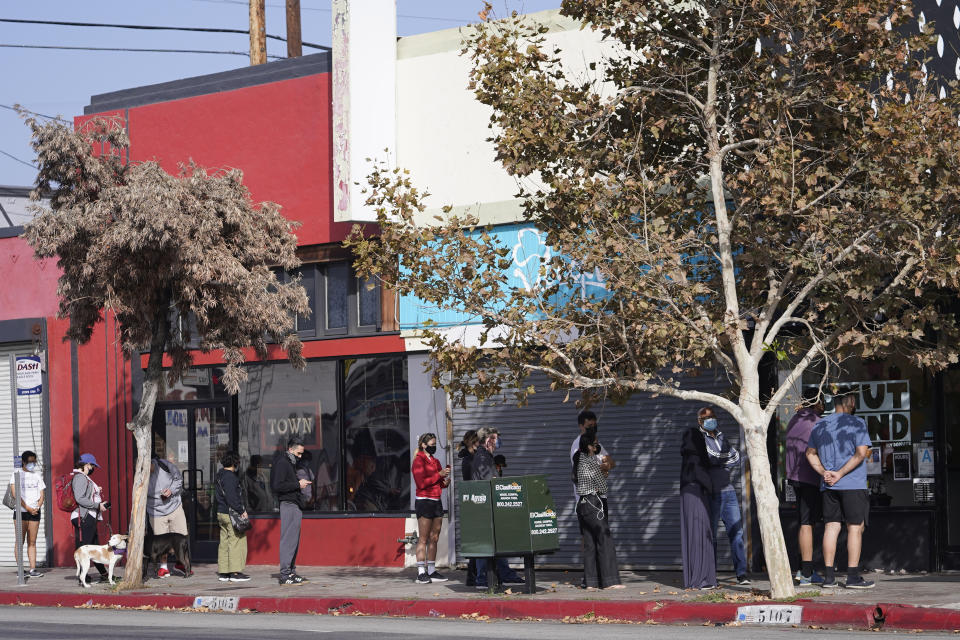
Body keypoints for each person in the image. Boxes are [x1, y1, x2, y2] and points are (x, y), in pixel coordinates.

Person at [806, 393, 874, 589]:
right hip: (852, 484)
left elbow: (810, 454)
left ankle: (829, 577)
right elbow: (861, 453)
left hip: (829, 486)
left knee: (831, 527)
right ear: (851, 403)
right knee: (855, 527)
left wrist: (824, 473)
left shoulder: (820, 425)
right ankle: (852, 576)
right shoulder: (857, 423)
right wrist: (840, 473)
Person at [699, 407, 749, 586]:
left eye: (712, 416)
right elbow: (711, 458)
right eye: (706, 418)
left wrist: (721, 459)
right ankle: (710, 576)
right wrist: (722, 458)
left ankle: (741, 574)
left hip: (728, 492)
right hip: (712, 492)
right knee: (710, 534)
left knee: (737, 532)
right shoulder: (699, 439)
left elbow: (736, 458)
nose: (710, 420)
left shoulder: (721, 436)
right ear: (700, 421)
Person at [470, 427, 524, 589]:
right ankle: (483, 578)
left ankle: (504, 573)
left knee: (496, 542)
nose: (497, 441)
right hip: (486, 507)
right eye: (494, 438)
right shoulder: (482, 458)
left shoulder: (485, 456)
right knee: (486, 543)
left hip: (489, 506)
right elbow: (489, 482)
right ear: (487, 440)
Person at [573, 431, 623, 589]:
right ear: (589, 446)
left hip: (582, 504)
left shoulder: (579, 460)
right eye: (595, 444)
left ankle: (591, 582)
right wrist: (603, 474)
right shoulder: (589, 461)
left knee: (589, 542)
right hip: (594, 502)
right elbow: (602, 485)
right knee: (604, 538)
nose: (597, 446)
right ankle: (611, 581)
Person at [785, 394, 826, 585]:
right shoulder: (817, 422)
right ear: (817, 402)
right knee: (807, 523)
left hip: (794, 478)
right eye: (823, 402)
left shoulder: (794, 420)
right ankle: (807, 574)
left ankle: (802, 569)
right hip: (811, 477)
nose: (824, 406)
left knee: (804, 522)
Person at [680, 414, 717, 590]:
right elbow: (703, 476)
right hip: (697, 495)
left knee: (693, 535)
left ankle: (695, 578)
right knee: (701, 534)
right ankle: (702, 578)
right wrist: (711, 488)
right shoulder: (695, 458)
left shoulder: (687, 457)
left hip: (688, 494)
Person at [270, 436, 311, 585]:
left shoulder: (289, 462)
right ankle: (285, 574)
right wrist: (297, 484)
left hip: (294, 504)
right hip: (288, 504)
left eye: (301, 454)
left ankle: (291, 572)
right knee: (288, 539)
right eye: (298, 453)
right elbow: (277, 486)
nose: (300, 457)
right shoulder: (282, 463)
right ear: (290, 449)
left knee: (294, 540)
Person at [411, 432, 450, 584]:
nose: (434, 447)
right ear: (423, 445)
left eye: (435, 445)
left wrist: (445, 482)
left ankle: (432, 570)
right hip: (424, 501)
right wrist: (438, 474)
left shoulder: (435, 461)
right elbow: (421, 483)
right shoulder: (418, 461)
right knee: (423, 538)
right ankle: (421, 572)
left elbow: (438, 483)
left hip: (436, 500)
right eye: (432, 445)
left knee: (435, 537)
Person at [71, 453, 110, 585]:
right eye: (92, 465)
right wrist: (97, 505)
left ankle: (104, 574)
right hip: (84, 517)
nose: (93, 468)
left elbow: (85, 495)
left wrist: (95, 491)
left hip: (88, 516)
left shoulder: (84, 478)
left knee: (94, 548)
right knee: (86, 549)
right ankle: (83, 578)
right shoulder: (81, 478)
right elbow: (80, 498)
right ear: (87, 465)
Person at [146, 457, 188, 577]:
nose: (144, 470)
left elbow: (178, 479)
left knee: (182, 536)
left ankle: (181, 564)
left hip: (174, 507)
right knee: (161, 543)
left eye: (146, 466)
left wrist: (171, 490)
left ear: (150, 462)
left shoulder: (164, 465)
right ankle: (164, 568)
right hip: (156, 512)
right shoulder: (140, 476)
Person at [215, 451, 250, 582]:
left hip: (221, 512)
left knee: (224, 542)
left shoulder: (220, 475)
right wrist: (241, 510)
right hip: (231, 513)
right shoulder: (230, 477)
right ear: (235, 462)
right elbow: (232, 497)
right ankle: (235, 573)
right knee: (237, 541)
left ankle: (224, 572)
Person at [9, 450, 45, 578]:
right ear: (23, 462)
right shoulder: (16, 474)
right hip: (21, 512)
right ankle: (20, 570)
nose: (32, 464)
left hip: (35, 512)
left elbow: (42, 495)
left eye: (34, 462)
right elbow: (15, 494)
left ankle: (33, 569)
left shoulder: (37, 475)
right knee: (20, 541)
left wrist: (37, 507)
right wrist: (28, 508)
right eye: (30, 462)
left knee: (32, 541)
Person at [457, 430, 480, 587]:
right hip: (475, 503)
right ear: (473, 443)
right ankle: (473, 576)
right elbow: (474, 482)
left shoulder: (471, 458)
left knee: (478, 540)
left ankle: (473, 576)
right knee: (478, 540)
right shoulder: (469, 460)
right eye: (479, 442)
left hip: (475, 502)